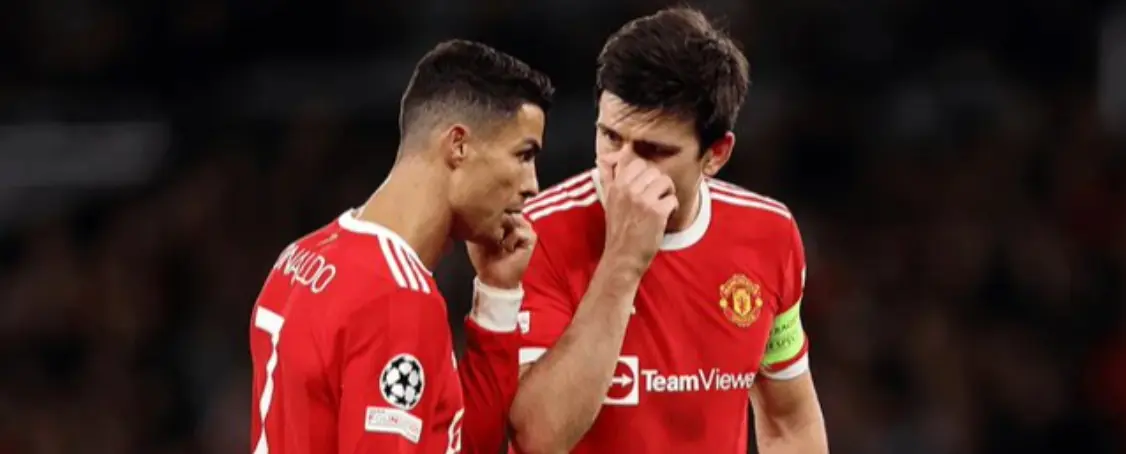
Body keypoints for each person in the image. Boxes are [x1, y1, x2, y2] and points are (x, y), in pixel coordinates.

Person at [476, 7, 828, 453]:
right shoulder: (535, 235)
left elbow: (789, 423)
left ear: (716, 155)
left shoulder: (769, 235)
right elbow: (536, 438)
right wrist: (623, 262)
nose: (621, 169)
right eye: (610, 138)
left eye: (653, 151)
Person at [248, 39, 553, 454]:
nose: (532, 185)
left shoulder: (302, 256)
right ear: (458, 146)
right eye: (523, 155)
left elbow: (452, 441)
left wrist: (498, 294)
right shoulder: (397, 298)